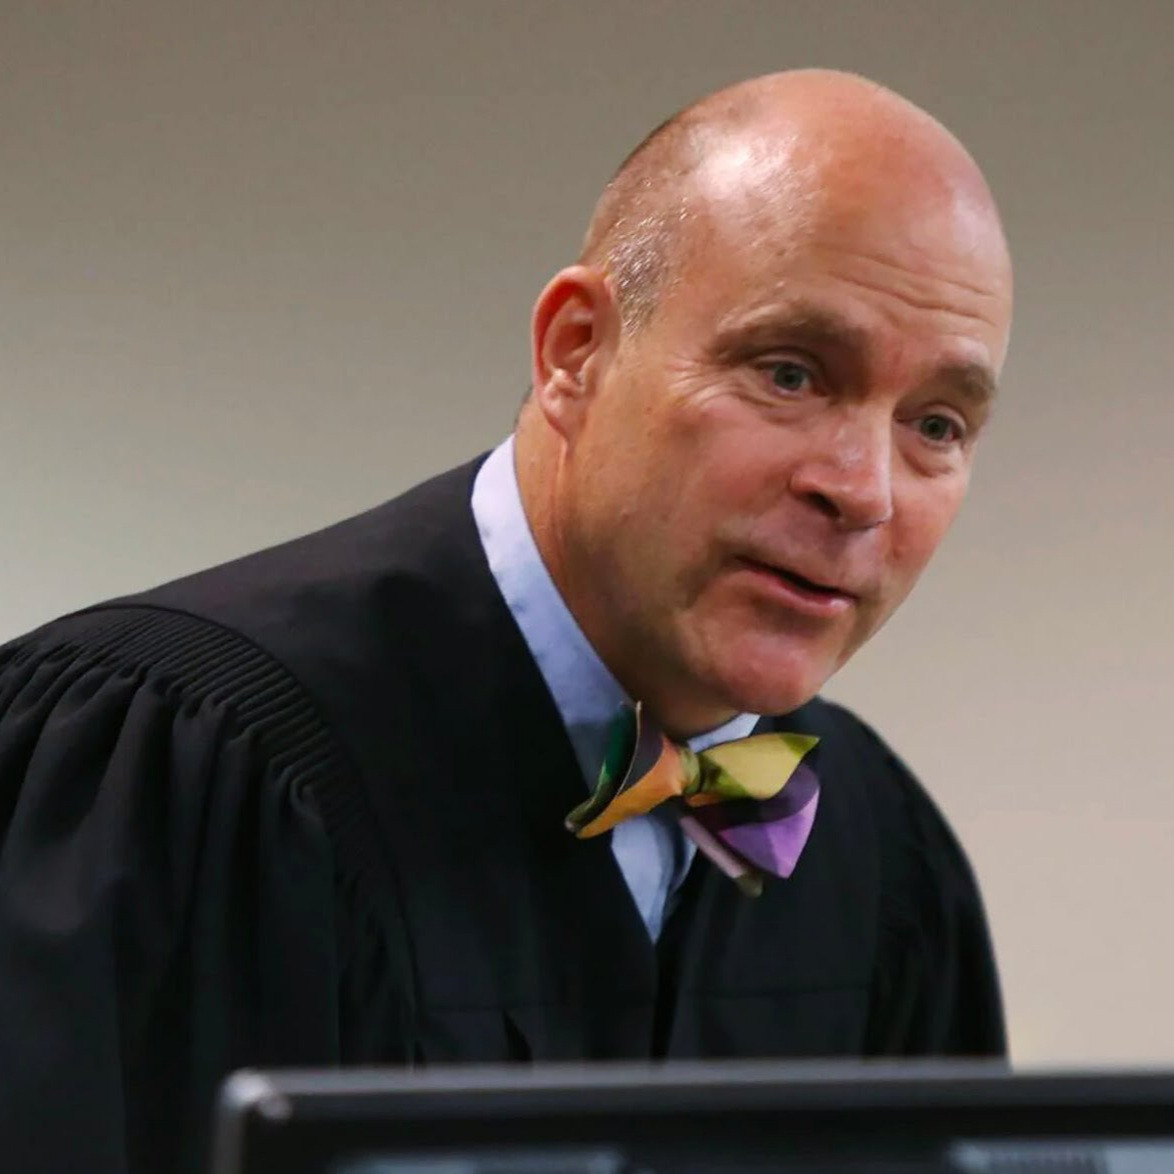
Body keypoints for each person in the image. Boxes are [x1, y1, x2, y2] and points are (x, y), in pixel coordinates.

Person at [0, 69, 1013, 1173]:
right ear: (575, 352)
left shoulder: (877, 856)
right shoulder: (177, 771)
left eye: (936, 425)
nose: (862, 489)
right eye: (789, 374)